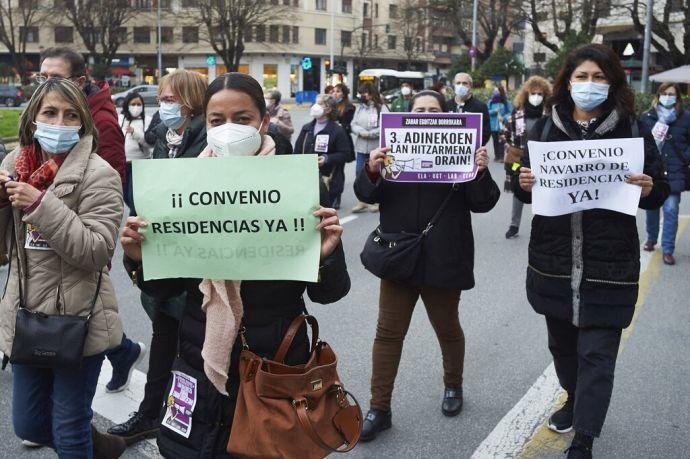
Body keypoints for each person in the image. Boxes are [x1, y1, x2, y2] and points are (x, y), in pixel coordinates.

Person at [120, 72, 350, 458]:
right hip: (198, 356)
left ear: (263, 120)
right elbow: (167, 289)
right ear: (204, 123)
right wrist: (139, 259)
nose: (228, 129)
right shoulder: (181, 185)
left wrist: (325, 256)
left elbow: (328, 293)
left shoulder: (300, 183)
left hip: (274, 364)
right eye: (216, 120)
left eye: (242, 119)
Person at [514, 44, 669, 459]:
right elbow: (523, 188)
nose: (589, 85)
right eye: (581, 77)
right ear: (566, 82)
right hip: (554, 264)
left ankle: (584, 437)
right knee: (563, 350)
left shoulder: (632, 130)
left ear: (612, 83)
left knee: (597, 355)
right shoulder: (545, 131)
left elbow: (660, 188)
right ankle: (572, 397)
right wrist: (522, 183)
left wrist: (652, 188)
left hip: (609, 265)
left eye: (599, 77)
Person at [354, 89, 500, 442]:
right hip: (399, 256)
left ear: (446, 115)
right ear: (408, 114)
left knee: (447, 329)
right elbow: (365, 194)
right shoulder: (391, 154)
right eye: (419, 109)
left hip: (443, 257)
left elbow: (484, 203)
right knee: (388, 334)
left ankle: (453, 386)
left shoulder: (461, 153)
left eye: (433, 110)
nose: (425, 114)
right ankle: (380, 408)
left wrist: (480, 172)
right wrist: (372, 169)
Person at [0, 78, 126, 457]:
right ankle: (102, 446)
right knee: (29, 425)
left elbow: (96, 251)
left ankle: (87, 444)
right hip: (26, 318)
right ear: (33, 118)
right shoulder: (13, 165)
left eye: (71, 115)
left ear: (84, 122)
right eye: (50, 113)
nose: (60, 123)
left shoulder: (100, 174)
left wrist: (41, 207)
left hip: (80, 321)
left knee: (69, 430)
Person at [107, 69, 209, 445]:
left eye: (170, 99)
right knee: (164, 341)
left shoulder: (206, 142)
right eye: (162, 99)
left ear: (192, 100)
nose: (163, 105)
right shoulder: (170, 140)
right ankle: (151, 414)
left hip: (197, 269)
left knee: (192, 353)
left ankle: (190, 427)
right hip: (168, 265)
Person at [38, 47, 125, 184]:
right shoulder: (39, 114)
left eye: (56, 78)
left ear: (79, 83)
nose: (47, 85)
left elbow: (111, 183)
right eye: (43, 78)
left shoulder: (102, 122)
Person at [641, 82, 690, 265]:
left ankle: (668, 249)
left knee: (671, 209)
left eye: (672, 94)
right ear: (658, 95)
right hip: (653, 171)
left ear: (677, 97)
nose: (668, 97)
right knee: (652, 208)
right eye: (665, 93)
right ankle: (652, 238)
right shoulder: (647, 117)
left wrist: (684, 157)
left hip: (674, 171)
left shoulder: (685, 118)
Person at [503, 76, 551, 239]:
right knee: (519, 190)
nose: (536, 97)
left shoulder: (550, 115)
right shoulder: (517, 115)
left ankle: (545, 226)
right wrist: (511, 150)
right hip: (519, 160)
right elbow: (505, 134)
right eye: (533, 93)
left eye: (540, 93)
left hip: (545, 161)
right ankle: (514, 225)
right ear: (526, 94)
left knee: (545, 192)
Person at [295, 93, 352, 208]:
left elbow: (346, 154)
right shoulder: (307, 128)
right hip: (306, 178)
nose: (315, 106)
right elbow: (297, 151)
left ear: (329, 109)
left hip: (327, 181)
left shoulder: (337, 130)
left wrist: (327, 158)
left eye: (320, 104)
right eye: (316, 103)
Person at [351, 81, 389, 213]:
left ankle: (378, 201)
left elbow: (386, 126)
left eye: (365, 93)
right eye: (361, 93)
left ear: (372, 93)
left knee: (378, 173)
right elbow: (353, 123)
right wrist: (360, 132)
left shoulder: (381, 108)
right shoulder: (360, 108)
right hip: (361, 146)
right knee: (360, 172)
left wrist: (371, 134)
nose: (362, 95)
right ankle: (362, 201)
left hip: (376, 146)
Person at [119, 92, 151, 215]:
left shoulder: (146, 120)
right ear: (127, 105)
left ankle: (134, 223)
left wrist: (135, 134)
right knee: (126, 196)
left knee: (134, 198)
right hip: (124, 163)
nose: (136, 107)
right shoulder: (121, 119)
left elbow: (149, 143)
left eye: (139, 104)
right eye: (133, 104)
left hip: (140, 164)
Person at [446, 72, 491, 147]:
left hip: (470, 153)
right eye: (458, 83)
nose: (461, 86)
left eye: (464, 83)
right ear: (454, 85)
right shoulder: (446, 105)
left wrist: (474, 146)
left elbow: (486, 132)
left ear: (470, 86)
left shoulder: (480, 107)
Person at [487, 84, 511, 162]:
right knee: (495, 141)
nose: (495, 93)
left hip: (502, 125)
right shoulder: (490, 102)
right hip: (493, 126)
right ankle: (496, 155)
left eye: (497, 91)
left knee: (502, 140)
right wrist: (494, 111)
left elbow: (510, 112)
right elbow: (486, 111)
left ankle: (501, 156)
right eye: (494, 91)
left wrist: (503, 117)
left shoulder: (506, 102)